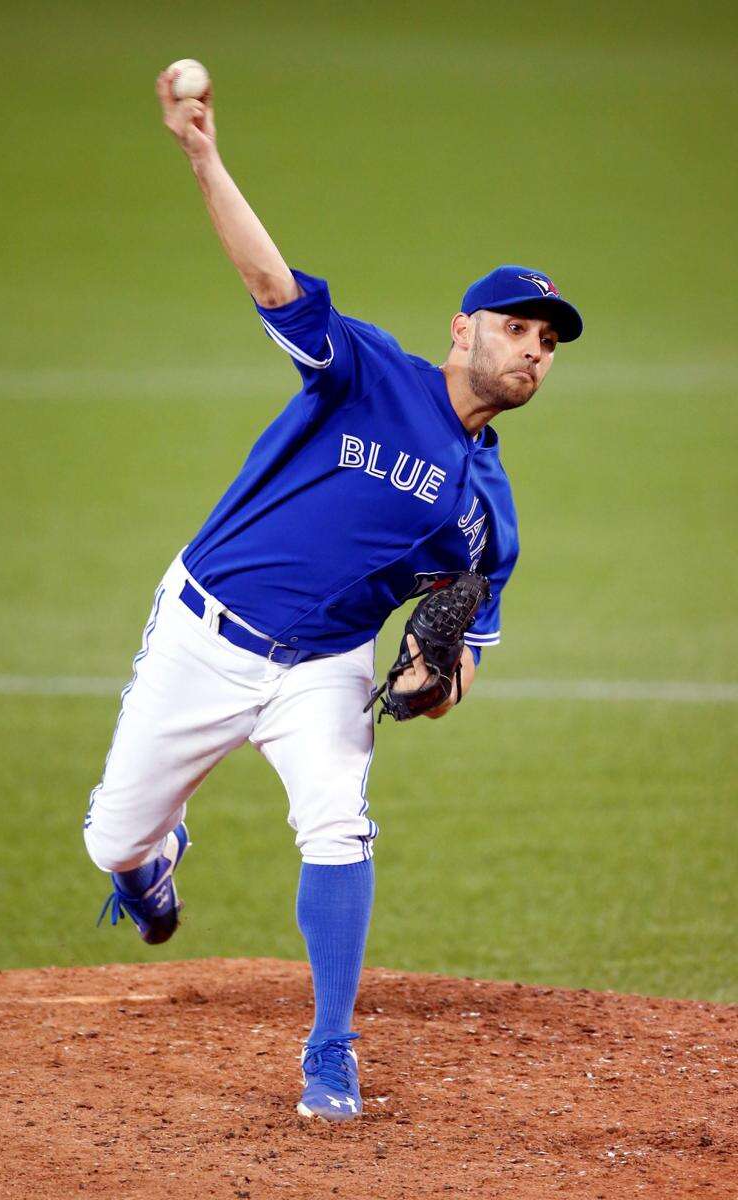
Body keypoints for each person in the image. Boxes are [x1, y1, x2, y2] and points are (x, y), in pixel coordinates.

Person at [83, 68, 583, 1124]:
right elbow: (273, 285)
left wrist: (430, 677)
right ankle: (149, 863)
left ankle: (330, 1053)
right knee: (110, 839)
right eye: (517, 326)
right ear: (463, 328)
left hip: (323, 669)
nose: (533, 347)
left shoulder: (490, 517)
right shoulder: (366, 370)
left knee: (338, 825)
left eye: (547, 342)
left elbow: (458, 667)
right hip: (201, 632)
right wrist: (202, 152)